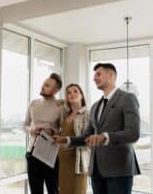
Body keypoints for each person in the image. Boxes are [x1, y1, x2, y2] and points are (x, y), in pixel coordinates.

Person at [54, 63, 140, 194]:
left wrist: (105, 137)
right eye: (94, 75)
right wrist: (66, 140)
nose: (94, 78)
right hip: (96, 170)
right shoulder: (95, 106)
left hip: (119, 169)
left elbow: (133, 133)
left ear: (111, 75)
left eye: (98, 74)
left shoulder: (127, 98)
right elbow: (86, 137)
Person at [23, 73, 62, 194]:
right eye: (43, 84)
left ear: (55, 90)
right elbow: (25, 124)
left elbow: (65, 132)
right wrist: (31, 130)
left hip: (51, 156)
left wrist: (52, 131)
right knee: (35, 191)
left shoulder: (60, 106)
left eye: (47, 85)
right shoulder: (33, 104)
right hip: (32, 154)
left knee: (53, 190)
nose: (43, 87)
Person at [58, 83, 90, 194]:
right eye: (69, 93)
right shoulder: (66, 115)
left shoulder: (87, 114)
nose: (72, 94)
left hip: (78, 162)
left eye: (75, 91)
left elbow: (89, 139)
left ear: (82, 95)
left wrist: (72, 144)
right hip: (63, 163)